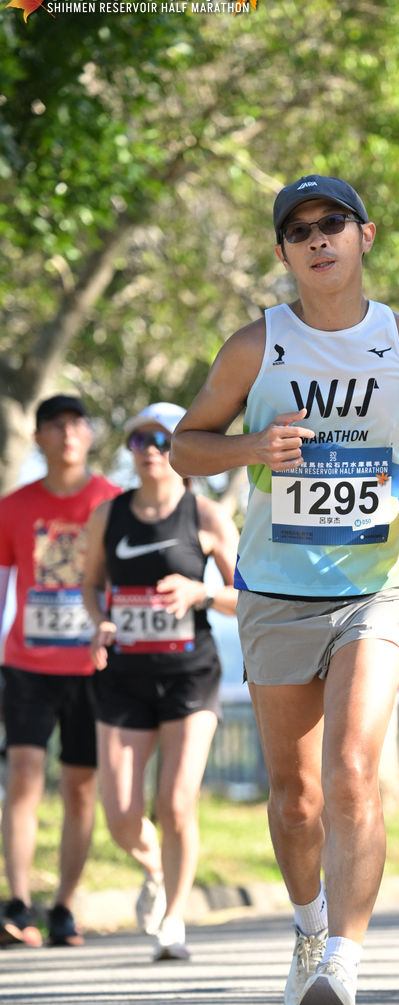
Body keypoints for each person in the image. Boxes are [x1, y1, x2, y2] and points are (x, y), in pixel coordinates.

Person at [169, 174, 399, 1005]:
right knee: (297, 795)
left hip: (376, 581)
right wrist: (249, 445)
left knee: (351, 769)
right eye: (299, 229)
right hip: (275, 586)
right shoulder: (255, 345)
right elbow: (185, 447)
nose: (317, 239)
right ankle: (308, 928)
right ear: (283, 252)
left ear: (363, 235)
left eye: (332, 223)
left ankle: (342, 964)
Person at [81, 403, 239, 962]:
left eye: (165, 439)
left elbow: (248, 597)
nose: (152, 449)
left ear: (185, 448)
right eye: (141, 439)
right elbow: (90, 584)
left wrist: (202, 593)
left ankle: (173, 918)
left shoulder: (207, 515)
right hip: (123, 676)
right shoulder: (108, 515)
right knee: (122, 816)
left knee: (175, 804)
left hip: (189, 675)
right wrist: (100, 621)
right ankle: (156, 869)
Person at [0, 394, 120, 948]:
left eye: (77, 424)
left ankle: (65, 906)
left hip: (94, 666)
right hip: (27, 664)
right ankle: (18, 903)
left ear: (89, 435)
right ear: (38, 438)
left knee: (79, 785)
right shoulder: (14, 506)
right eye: (56, 425)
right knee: (24, 774)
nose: (68, 434)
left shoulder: (113, 501)